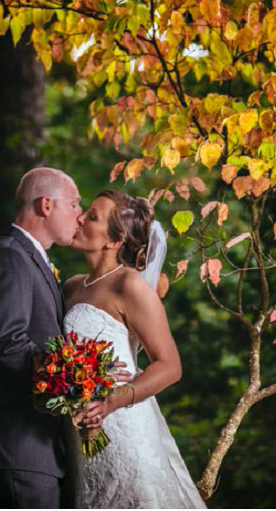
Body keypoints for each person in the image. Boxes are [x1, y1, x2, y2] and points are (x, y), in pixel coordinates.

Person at [0, 168, 131, 508]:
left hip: (32, 449)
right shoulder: (8, 256)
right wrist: (80, 379)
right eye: (75, 204)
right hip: (11, 446)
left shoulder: (30, 259)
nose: (79, 216)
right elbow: (7, 342)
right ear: (46, 205)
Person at [62, 189, 206, 508]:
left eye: (93, 217)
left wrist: (112, 402)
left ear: (114, 241)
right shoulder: (72, 286)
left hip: (121, 423)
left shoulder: (129, 285)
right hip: (77, 425)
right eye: (85, 211)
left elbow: (169, 366)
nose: (80, 217)